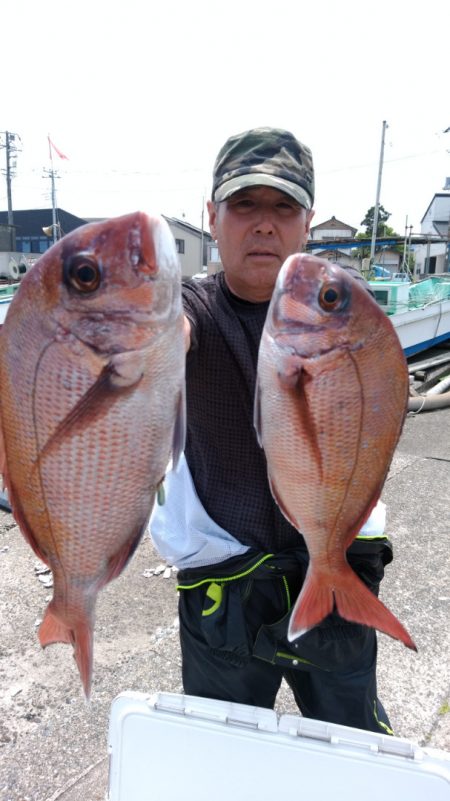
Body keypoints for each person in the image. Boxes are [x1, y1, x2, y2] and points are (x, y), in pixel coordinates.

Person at [150, 127, 394, 733]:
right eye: (244, 205)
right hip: (223, 585)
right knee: (224, 756)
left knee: (352, 746)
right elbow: (171, 323)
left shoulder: (341, 310)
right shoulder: (195, 305)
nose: (264, 223)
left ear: (308, 221)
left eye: (283, 206)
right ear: (212, 217)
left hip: (335, 559)